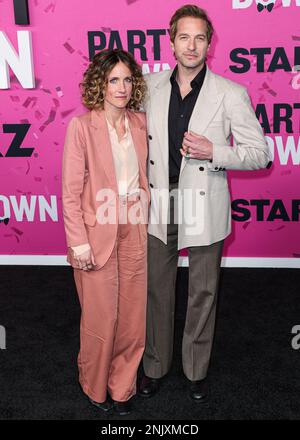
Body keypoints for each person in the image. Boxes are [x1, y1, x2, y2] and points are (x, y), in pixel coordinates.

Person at [139, 4, 271, 402]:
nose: (191, 45)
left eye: (199, 37)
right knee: (157, 290)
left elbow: (259, 154)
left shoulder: (231, 93)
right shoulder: (148, 87)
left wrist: (217, 150)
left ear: (209, 44)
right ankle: (155, 365)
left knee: (203, 290)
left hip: (205, 201)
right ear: (171, 40)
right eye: (184, 37)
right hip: (160, 202)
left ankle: (196, 370)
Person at [62, 49, 149, 415]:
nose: (122, 87)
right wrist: (78, 242)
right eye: (114, 79)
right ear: (101, 83)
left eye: (127, 79)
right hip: (95, 232)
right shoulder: (82, 127)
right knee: (101, 316)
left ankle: (122, 387)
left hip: (135, 225)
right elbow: (69, 192)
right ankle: (94, 386)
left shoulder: (141, 123)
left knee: (132, 317)